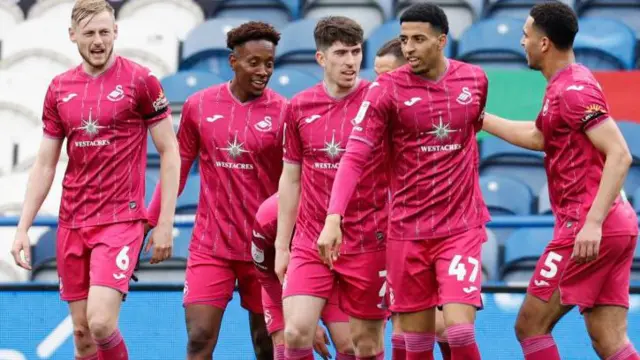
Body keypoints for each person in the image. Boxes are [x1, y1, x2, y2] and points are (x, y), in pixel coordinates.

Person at [318, 3, 491, 360]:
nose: (409, 47)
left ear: (442, 41)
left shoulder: (474, 80)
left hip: (460, 227)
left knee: (458, 331)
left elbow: (471, 135)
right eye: (404, 39)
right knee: (415, 344)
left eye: (418, 39)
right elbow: (354, 155)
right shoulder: (385, 90)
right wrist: (334, 216)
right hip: (407, 232)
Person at [9, 1, 180, 359]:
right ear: (73, 36)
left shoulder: (140, 80)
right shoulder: (59, 88)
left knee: (101, 322)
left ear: (116, 31)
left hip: (121, 220)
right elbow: (45, 163)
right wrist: (23, 226)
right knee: (83, 335)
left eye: (105, 31)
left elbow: (170, 151)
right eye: (89, 33)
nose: (98, 40)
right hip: (72, 222)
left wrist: (163, 221)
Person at [480, 3, 640, 360]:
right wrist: (482, 120)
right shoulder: (565, 84)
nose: (521, 41)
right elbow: (541, 137)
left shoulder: (573, 91)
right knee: (607, 339)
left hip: (588, 226)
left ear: (544, 43)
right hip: (613, 224)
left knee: (530, 327)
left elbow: (620, 154)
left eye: (526, 34)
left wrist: (593, 223)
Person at [145, 21, 287, 360]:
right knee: (198, 338)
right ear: (233, 61)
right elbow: (176, 168)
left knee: (265, 344)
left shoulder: (284, 112)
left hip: (264, 247)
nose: (263, 71)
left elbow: (294, 182)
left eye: (269, 63)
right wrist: (153, 221)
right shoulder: (199, 105)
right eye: (254, 62)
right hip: (212, 246)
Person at [275, 16, 389, 360]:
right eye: (341, 53)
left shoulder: (379, 100)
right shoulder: (298, 107)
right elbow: (291, 177)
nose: (351, 61)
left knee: (365, 347)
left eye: (356, 52)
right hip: (312, 239)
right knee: (295, 332)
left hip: (368, 240)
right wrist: (283, 246)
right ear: (321, 58)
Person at [371, 37, 451, 360]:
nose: (379, 84)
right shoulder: (374, 117)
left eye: (386, 74)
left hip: (440, 233)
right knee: (401, 327)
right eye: (376, 75)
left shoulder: (436, 118)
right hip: (397, 235)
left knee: (446, 327)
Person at [252, 193, 354, 359]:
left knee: (350, 346)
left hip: (335, 274)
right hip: (280, 281)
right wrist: (307, 324)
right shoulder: (268, 216)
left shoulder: (343, 212)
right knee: (289, 342)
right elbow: (266, 275)